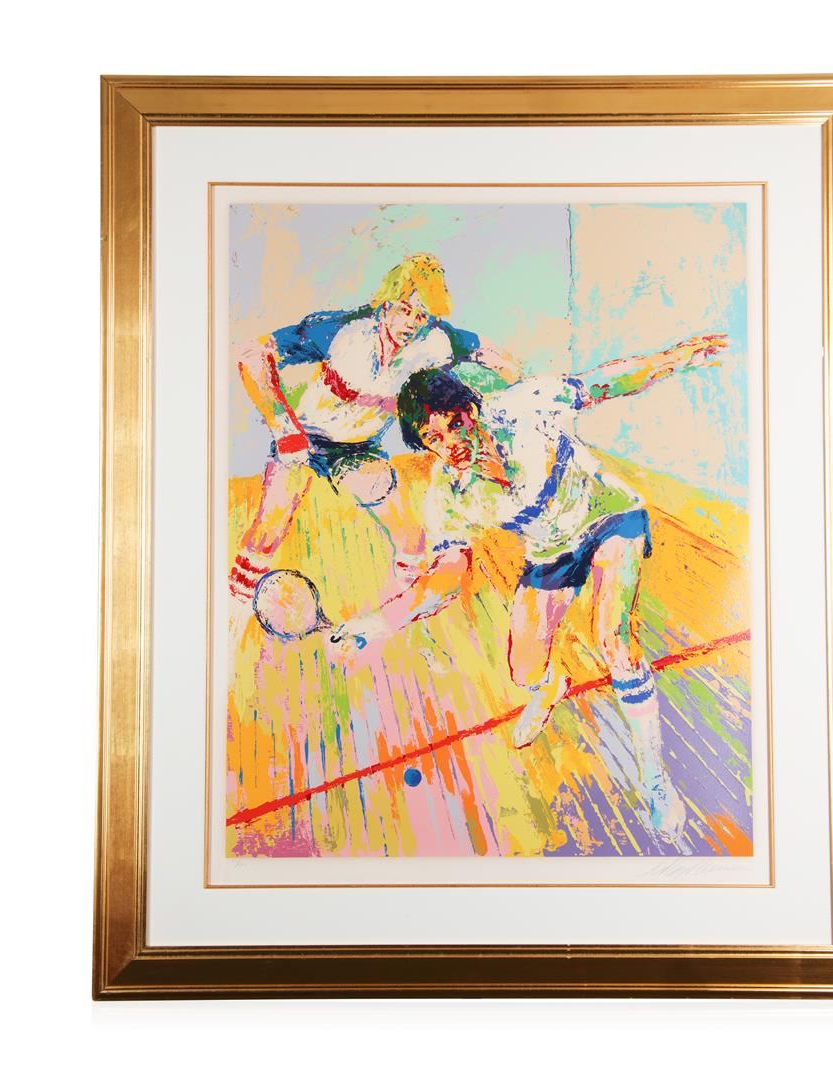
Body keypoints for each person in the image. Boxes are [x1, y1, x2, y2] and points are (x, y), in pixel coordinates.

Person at [329, 332, 729, 843]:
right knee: (524, 670)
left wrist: (678, 357)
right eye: (433, 438)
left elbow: (607, 382)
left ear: (471, 408)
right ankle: (550, 687)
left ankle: (654, 779)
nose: (450, 444)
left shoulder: (527, 405)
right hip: (550, 550)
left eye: (453, 424)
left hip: (609, 516)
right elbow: (447, 575)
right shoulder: (447, 495)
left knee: (613, 641)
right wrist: (378, 622)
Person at [229, 253, 514, 601]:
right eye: (405, 310)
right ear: (385, 304)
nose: (411, 324)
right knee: (266, 533)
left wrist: (510, 409)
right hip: (303, 438)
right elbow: (252, 354)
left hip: (360, 450)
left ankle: (399, 614)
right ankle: (233, 609)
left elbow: (498, 358)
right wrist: (283, 426)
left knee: (412, 542)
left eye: (421, 316)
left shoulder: (438, 341)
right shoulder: (339, 330)